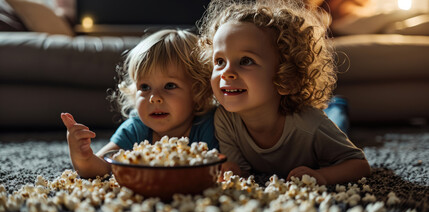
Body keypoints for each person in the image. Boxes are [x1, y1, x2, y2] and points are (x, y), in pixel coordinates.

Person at [198, 0, 370, 185]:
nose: (227, 73)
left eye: (246, 61)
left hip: (318, 121)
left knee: (336, 121)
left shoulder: (312, 124)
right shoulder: (224, 119)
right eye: (220, 61)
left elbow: (359, 165)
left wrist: (322, 176)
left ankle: (337, 106)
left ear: (285, 77)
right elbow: (238, 169)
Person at [61, 29, 217, 178]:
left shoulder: (208, 127)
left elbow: (224, 168)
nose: (154, 98)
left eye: (169, 85)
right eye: (145, 87)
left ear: (198, 92)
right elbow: (100, 168)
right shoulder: (135, 129)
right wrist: (83, 156)